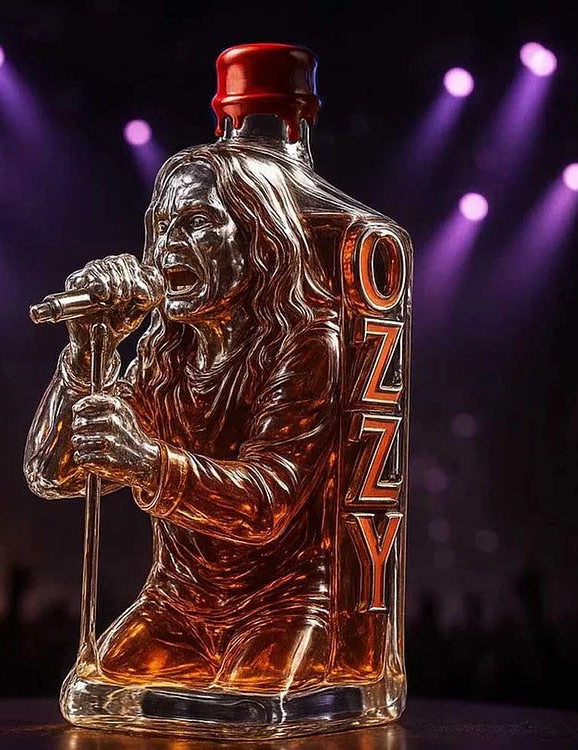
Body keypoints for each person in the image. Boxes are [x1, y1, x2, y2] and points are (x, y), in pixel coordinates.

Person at [24, 142, 341, 692]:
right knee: (98, 691)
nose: (169, 244)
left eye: (197, 223)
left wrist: (147, 463)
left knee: (251, 701)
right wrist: (88, 350)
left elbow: (266, 503)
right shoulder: (165, 357)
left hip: (283, 607)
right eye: (161, 226)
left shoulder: (307, 345)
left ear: (259, 238)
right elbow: (52, 475)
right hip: (176, 609)